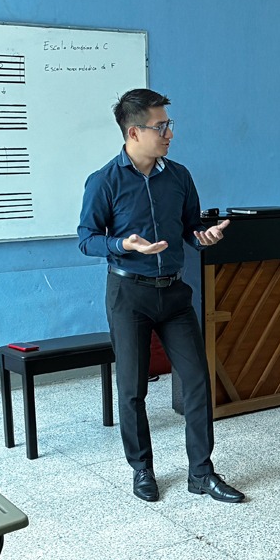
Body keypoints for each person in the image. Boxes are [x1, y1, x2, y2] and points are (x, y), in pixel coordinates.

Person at [78, 88, 244, 504]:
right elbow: (86, 239)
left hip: (173, 295)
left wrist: (203, 237)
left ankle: (201, 474)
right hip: (128, 295)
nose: (169, 132)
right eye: (161, 126)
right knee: (133, 389)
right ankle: (142, 470)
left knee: (197, 382)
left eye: (169, 124)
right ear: (134, 132)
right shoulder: (104, 181)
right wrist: (124, 245)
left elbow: (190, 229)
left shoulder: (180, 176)